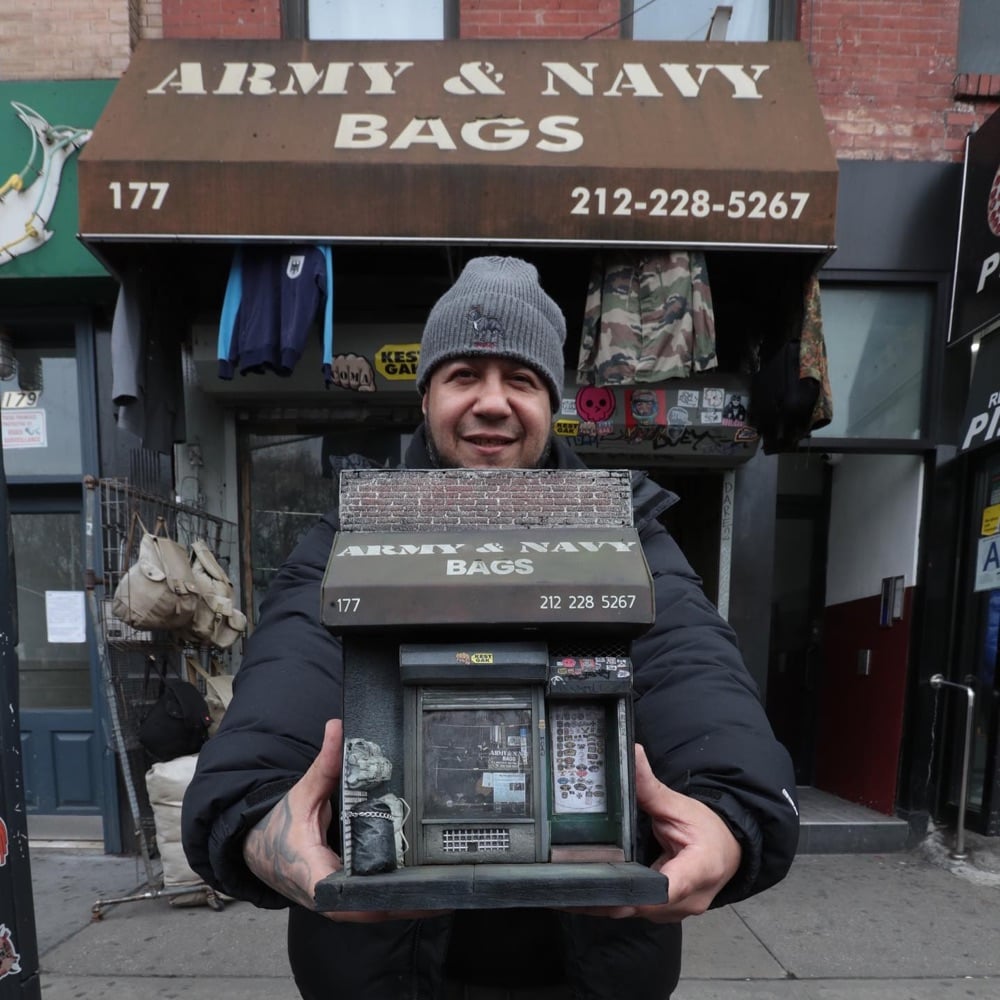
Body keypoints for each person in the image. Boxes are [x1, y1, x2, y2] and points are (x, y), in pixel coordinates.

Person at [182, 256, 799, 1000]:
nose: (493, 403)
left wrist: (732, 821)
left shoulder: (623, 530)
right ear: (427, 396)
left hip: (590, 966)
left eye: (522, 379)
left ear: (553, 401)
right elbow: (283, 684)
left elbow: (695, 672)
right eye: (465, 374)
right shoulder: (352, 533)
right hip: (381, 968)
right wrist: (256, 820)